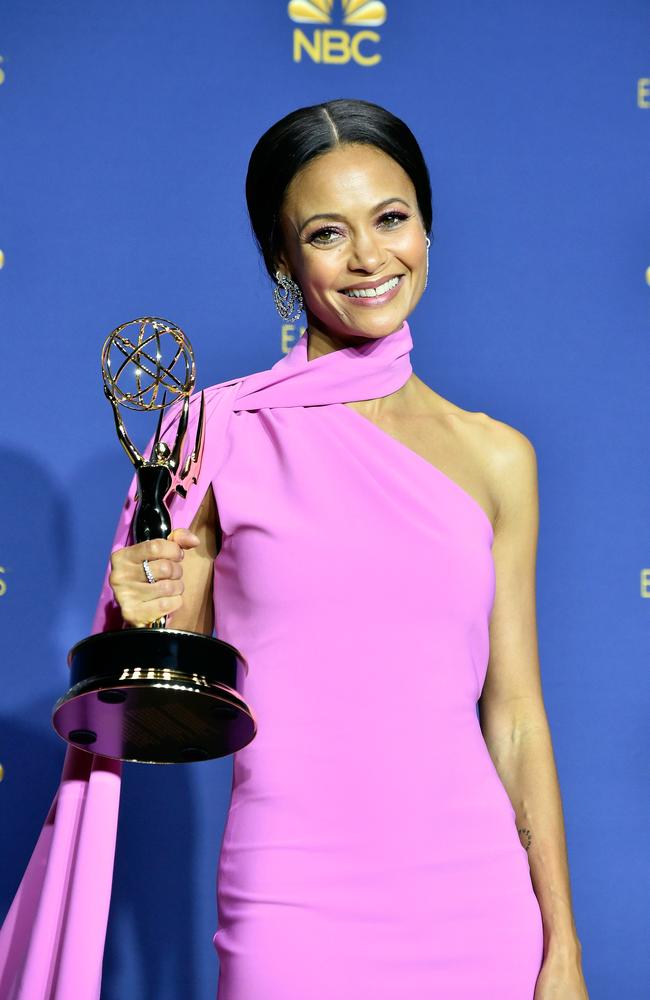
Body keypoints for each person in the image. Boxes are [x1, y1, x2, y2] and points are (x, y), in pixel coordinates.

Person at [0, 98, 589, 1000]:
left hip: (478, 899)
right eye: (326, 232)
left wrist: (562, 951)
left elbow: (513, 718)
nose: (368, 258)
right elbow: (181, 682)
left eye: (391, 218)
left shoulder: (499, 456)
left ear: (427, 228)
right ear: (283, 259)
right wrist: (144, 610)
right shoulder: (214, 433)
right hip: (293, 891)